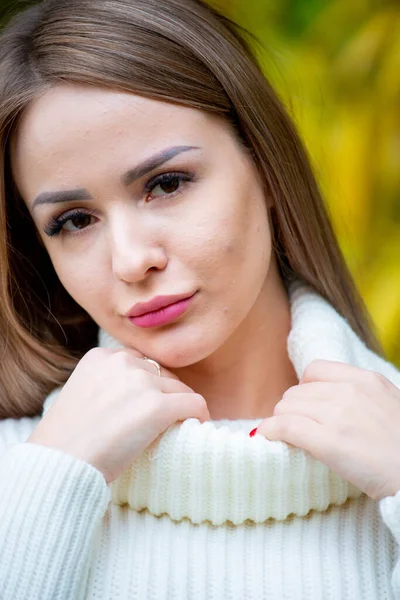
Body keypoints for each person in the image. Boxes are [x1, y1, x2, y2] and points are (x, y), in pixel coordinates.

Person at [0, 0, 399, 598]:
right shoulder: (16, 469)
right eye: (75, 220)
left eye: (166, 184)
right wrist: (52, 477)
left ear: (264, 166)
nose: (133, 260)